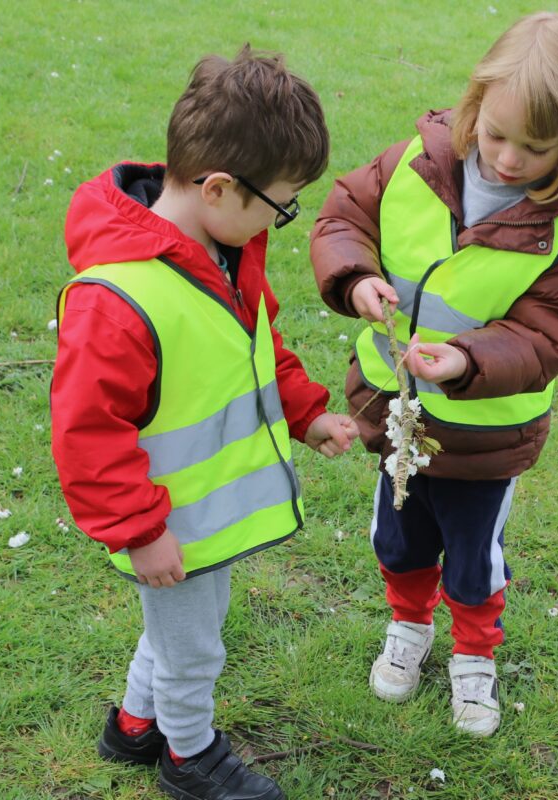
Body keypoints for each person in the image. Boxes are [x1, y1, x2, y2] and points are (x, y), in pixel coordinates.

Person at [51, 46, 358, 800]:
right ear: (220, 187)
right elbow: (87, 432)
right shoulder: (116, 299)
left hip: (205, 516)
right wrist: (139, 530)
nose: (280, 221)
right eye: (281, 205)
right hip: (168, 522)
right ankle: (189, 756)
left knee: (181, 630)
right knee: (194, 649)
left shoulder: (226, 247)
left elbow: (257, 347)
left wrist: (307, 413)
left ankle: (132, 726)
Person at [310, 11, 558, 737]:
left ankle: (475, 657)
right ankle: (408, 627)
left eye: (536, 149)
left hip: (485, 437)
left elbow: (548, 334)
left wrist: (469, 359)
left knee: (474, 556)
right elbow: (343, 215)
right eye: (497, 134)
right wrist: (354, 277)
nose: (508, 159)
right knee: (399, 540)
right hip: (394, 413)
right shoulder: (418, 160)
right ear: (474, 106)